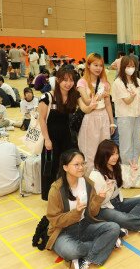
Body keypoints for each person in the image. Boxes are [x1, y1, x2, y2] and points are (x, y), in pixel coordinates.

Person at [46, 149, 120, 269]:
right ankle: (103, 245)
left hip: (85, 225)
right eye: (76, 164)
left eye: (83, 163)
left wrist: (98, 199)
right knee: (72, 251)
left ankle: (84, 260)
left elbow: (93, 212)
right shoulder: (56, 189)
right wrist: (76, 212)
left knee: (114, 228)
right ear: (65, 167)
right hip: (63, 231)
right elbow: (54, 219)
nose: (81, 168)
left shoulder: (87, 183)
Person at [39, 69, 97, 201]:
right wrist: (47, 139)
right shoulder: (47, 96)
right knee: (51, 168)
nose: (68, 83)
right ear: (58, 80)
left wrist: (91, 106)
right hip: (51, 138)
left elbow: (84, 108)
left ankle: (66, 193)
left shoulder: (74, 96)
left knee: (69, 167)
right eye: (65, 80)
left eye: (71, 80)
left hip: (67, 138)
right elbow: (41, 119)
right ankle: (50, 197)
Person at [90, 139, 140, 231]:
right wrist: (108, 189)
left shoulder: (117, 167)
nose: (115, 157)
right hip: (104, 208)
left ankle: (126, 222)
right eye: (111, 154)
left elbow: (128, 184)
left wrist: (133, 172)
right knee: (124, 219)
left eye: (116, 153)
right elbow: (98, 203)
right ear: (103, 155)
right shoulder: (96, 175)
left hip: (118, 202)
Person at [77, 53, 115, 175]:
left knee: (105, 150)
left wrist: (112, 122)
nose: (98, 68)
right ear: (88, 65)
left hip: (103, 117)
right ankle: (89, 181)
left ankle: (103, 178)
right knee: (89, 151)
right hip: (90, 117)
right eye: (95, 65)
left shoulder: (105, 83)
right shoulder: (82, 82)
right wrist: (99, 95)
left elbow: (108, 104)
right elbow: (87, 101)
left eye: (101, 65)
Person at [111, 56, 140, 167]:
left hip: (137, 115)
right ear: (123, 67)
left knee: (136, 143)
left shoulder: (137, 80)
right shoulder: (118, 82)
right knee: (126, 145)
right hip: (125, 116)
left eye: (133, 66)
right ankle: (125, 169)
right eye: (128, 66)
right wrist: (132, 97)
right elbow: (127, 101)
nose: (131, 68)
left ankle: (134, 167)